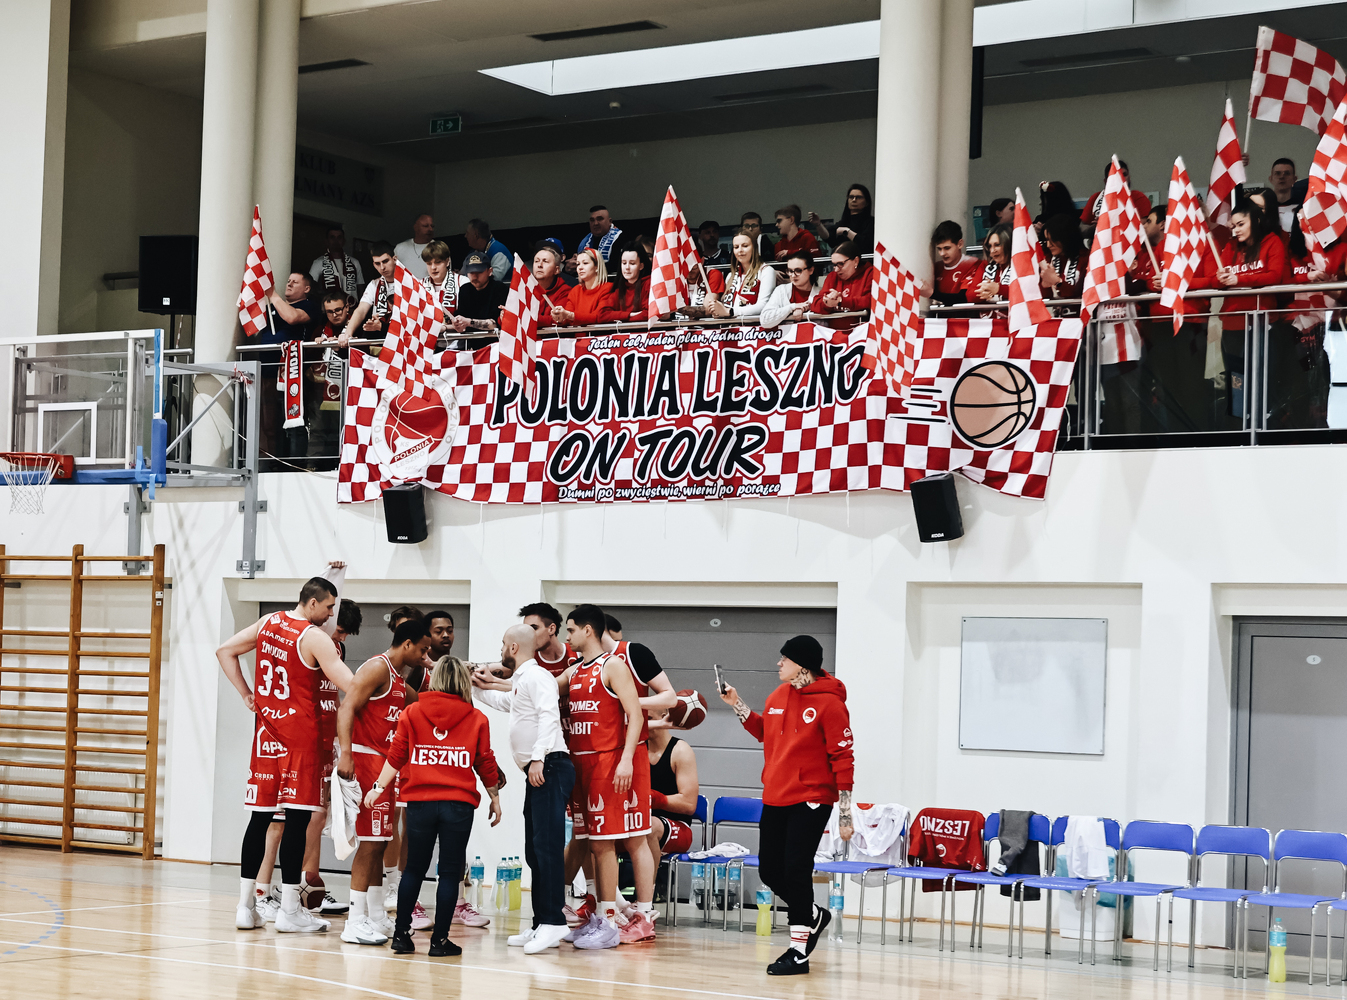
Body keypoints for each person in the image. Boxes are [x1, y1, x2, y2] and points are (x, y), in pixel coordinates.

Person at [217, 576, 354, 933]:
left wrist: (246, 694)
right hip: (301, 740)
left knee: (259, 820)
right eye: (329, 607)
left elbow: (224, 651)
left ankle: (245, 907)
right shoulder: (314, 637)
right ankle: (290, 909)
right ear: (313, 603)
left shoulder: (269, 622)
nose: (331, 614)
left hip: (266, 737)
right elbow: (350, 684)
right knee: (296, 822)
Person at [719, 636, 853, 976]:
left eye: (785, 659)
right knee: (770, 871)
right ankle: (813, 915)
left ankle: (798, 951)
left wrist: (845, 813)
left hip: (811, 798)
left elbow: (843, 757)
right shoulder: (778, 695)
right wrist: (736, 704)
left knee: (796, 869)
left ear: (802, 665)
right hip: (776, 796)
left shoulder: (831, 704)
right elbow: (764, 731)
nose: (779, 663)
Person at [365, 656, 502, 956]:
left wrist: (377, 787)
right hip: (458, 805)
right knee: (451, 873)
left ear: (436, 678)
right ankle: (439, 941)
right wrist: (494, 797)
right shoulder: (477, 718)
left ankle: (401, 935)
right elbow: (485, 761)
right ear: (463, 681)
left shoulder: (412, 712)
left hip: (420, 803)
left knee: (414, 869)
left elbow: (396, 754)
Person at [556, 604, 656, 947]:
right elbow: (537, 689)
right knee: (594, 843)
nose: (567, 637)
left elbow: (635, 715)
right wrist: (493, 681)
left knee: (626, 839)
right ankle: (605, 916)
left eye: (570, 630)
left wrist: (626, 760)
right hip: (583, 765)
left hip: (611, 762)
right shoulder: (574, 671)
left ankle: (629, 917)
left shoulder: (612, 666)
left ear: (587, 630)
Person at [472, 625, 575, 954]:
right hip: (540, 769)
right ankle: (541, 922)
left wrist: (538, 758)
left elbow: (549, 716)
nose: (501, 649)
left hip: (550, 767)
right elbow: (503, 702)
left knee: (547, 848)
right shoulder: (522, 681)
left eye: (504, 644)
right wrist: (475, 686)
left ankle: (555, 922)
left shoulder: (537, 676)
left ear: (514, 647)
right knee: (535, 850)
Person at [335, 618, 432, 945]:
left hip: (384, 766)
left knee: (379, 842)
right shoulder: (377, 668)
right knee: (370, 844)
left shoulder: (398, 680)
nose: (424, 656)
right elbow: (346, 707)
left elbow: (425, 704)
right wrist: (345, 753)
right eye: (422, 650)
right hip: (365, 761)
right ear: (407, 644)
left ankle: (376, 915)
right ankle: (354, 921)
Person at [251, 271, 320, 462]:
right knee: (268, 422)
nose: (289, 284)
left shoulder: (309, 306)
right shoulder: (273, 306)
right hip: (267, 371)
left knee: (293, 421)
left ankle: (294, 464)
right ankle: (271, 463)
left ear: (306, 288)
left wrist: (272, 294)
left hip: (293, 373)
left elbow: (292, 318)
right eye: (288, 281)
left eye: (295, 282)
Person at [645, 705, 699, 872]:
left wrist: (654, 799)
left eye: (649, 719)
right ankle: (596, 887)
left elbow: (689, 804)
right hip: (640, 821)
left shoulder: (680, 750)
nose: (645, 724)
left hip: (678, 826)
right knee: (598, 831)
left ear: (664, 717)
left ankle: (649, 888)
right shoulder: (636, 749)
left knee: (649, 826)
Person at [709, 230, 778, 321]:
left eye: (745, 246)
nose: (740, 250)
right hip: (729, 327)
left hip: (754, 326)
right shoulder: (731, 276)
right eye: (736, 247)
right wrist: (718, 311)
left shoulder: (766, 271)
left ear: (754, 248)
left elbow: (763, 306)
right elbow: (725, 307)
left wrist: (730, 312)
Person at [338, 242, 398, 348]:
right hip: (379, 341)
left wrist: (383, 326)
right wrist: (347, 334)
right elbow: (361, 310)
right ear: (373, 264)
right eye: (377, 263)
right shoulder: (374, 284)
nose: (382, 267)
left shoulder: (408, 282)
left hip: (401, 339)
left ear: (395, 259)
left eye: (385, 261)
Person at [811, 241, 873, 330]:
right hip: (833, 334)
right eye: (834, 265)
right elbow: (815, 304)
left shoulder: (870, 274)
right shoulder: (832, 276)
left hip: (862, 332)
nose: (836, 269)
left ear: (856, 261)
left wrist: (840, 301)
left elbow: (870, 301)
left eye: (840, 264)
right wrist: (827, 303)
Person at [552, 248, 616, 326]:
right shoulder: (575, 291)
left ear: (596, 267)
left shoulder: (608, 288)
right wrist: (560, 317)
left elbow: (599, 317)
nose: (580, 267)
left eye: (585, 263)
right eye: (578, 264)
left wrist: (569, 315)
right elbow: (567, 318)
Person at [805, 183, 874, 255]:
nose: (854, 200)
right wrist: (818, 224)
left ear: (867, 202)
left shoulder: (871, 222)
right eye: (851, 197)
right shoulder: (844, 222)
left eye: (858, 197)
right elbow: (828, 237)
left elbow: (866, 244)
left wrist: (847, 232)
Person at [1081, 160, 1150, 228]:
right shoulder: (1096, 198)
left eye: (1124, 175)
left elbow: (1142, 227)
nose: (1122, 179)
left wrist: (1109, 224)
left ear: (1129, 177)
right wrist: (1096, 228)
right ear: (1106, 181)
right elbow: (1082, 228)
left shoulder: (1138, 197)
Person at [927, 221, 982, 307]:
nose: (942, 253)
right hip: (940, 315)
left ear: (960, 244)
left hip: (964, 315)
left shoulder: (973, 264)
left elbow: (964, 298)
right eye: (939, 249)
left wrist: (931, 293)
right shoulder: (936, 267)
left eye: (947, 248)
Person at [761, 251, 820, 329]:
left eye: (798, 270)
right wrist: (792, 307)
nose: (793, 275)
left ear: (811, 270)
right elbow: (764, 320)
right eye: (790, 271)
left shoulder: (821, 293)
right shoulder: (781, 290)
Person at [1039, 214, 1088, 306]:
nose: (1049, 245)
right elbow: (1044, 297)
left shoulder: (1087, 259)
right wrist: (1045, 285)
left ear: (1064, 237)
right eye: (1047, 240)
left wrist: (1057, 282)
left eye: (1052, 240)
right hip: (1054, 312)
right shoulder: (1047, 259)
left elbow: (1081, 294)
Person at [456, 252, 509, 334]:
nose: (475, 276)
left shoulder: (500, 289)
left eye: (479, 272)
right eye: (471, 272)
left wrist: (468, 322)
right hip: (469, 340)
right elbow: (461, 319)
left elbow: (495, 323)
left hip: (494, 339)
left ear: (490, 271)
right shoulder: (465, 289)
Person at [309, 225, 364, 300]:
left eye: (339, 237)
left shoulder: (354, 262)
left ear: (343, 241)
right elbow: (311, 287)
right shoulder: (318, 263)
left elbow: (360, 288)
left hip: (351, 305)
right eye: (332, 237)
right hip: (329, 304)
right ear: (327, 241)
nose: (336, 241)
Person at [608, 245, 650, 321]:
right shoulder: (618, 287)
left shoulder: (649, 284)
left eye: (632, 263)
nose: (627, 267)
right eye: (624, 263)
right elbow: (602, 314)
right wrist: (630, 315)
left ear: (641, 266)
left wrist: (622, 318)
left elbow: (650, 313)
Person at [532, 242, 572, 323]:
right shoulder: (525, 288)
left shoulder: (565, 292)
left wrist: (526, 319)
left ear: (556, 270)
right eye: (536, 261)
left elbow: (558, 319)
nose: (539, 265)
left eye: (545, 261)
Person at [974, 224, 1013, 306]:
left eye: (997, 245)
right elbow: (970, 295)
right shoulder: (985, 264)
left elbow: (1026, 292)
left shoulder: (1021, 264)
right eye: (989, 246)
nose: (992, 250)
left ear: (1008, 244)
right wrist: (987, 292)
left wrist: (999, 289)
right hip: (988, 314)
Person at [394, 214, 434, 281]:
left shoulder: (439, 249)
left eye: (432, 226)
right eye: (425, 226)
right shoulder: (400, 248)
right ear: (416, 227)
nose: (430, 229)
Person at [1269, 158, 1301, 232]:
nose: (1282, 177)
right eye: (1277, 173)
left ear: (1294, 179)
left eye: (1287, 173)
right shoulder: (1263, 207)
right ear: (1271, 179)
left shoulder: (1302, 207)